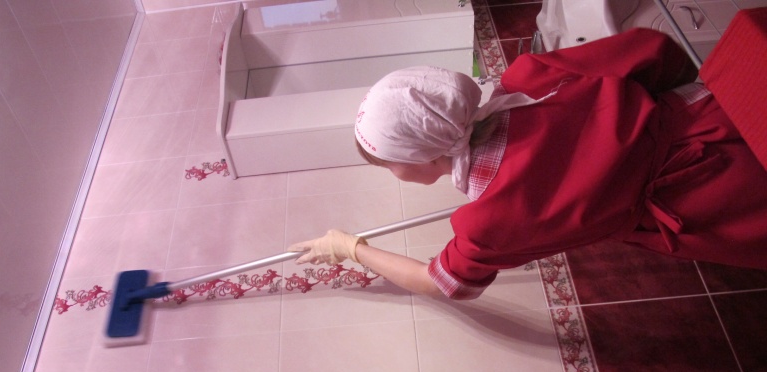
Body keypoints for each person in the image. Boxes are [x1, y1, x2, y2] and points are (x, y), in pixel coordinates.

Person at [288, 28, 767, 300]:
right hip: (723, 111)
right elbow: (654, 50)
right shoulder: (531, 77)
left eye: (390, 163)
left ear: (429, 156)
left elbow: (444, 284)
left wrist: (353, 249)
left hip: (715, 198)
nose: (393, 173)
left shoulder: (492, 218)